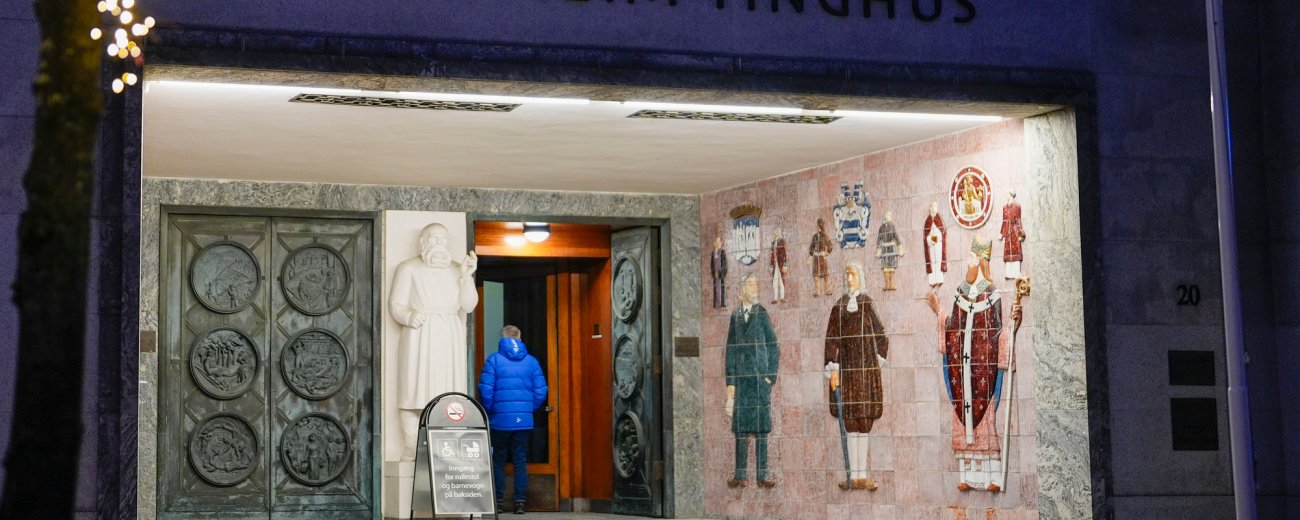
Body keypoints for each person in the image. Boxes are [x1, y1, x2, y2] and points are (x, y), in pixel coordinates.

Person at [924, 236, 1021, 493]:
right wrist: (940, 312)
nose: (968, 262)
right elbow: (952, 327)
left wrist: (1011, 328)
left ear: (981, 260)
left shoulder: (993, 294)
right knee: (962, 414)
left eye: (971, 258)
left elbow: (997, 332)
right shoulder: (960, 292)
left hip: (982, 370)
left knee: (985, 418)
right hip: (962, 370)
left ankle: (992, 476)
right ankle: (967, 476)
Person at [389, 223, 478, 460]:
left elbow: (468, 305)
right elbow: (396, 304)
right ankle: (412, 446)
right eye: (433, 239)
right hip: (419, 334)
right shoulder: (408, 268)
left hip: (449, 336)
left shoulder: (458, 269)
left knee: (448, 393)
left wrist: (467, 277)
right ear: (423, 242)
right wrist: (409, 316)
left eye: (443, 239)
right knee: (412, 391)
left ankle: (446, 447)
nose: (439, 244)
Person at [823, 262, 889, 491]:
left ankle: (862, 474)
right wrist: (832, 369)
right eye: (847, 275)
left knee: (863, 422)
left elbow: (882, 336)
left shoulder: (867, 304)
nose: (849, 279)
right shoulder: (839, 307)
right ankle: (853, 476)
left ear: (860, 277)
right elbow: (832, 340)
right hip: (847, 374)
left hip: (865, 373)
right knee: (850, 423)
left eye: (852, 275)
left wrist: (876, 362)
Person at [478, 325, 548, 514]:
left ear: (502, 338)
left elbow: (486, 390)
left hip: (499, 420)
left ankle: (498, 502)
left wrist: (493, 410)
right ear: (520, 338)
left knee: (498, 460)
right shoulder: (531, 362)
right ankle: (519, 503)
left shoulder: (493, 360)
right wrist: (527, 409)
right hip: (523, 420)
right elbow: (541, 391)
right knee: (520, 461)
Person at [724, 273, 780, 489]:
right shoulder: (735, 316)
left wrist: (770, 377)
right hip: (741, 382)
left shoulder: (761, 313)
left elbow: (773, 345)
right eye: (751, 285)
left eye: (756, 285)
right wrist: (730, 383)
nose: (756, 288)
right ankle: (740, 475)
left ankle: (762, 474)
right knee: (740, 429)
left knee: (761, 429)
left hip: (759, 381)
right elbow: (730, 350)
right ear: (742, 289)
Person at [999, 189, 1027, 279]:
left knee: (1016, 250)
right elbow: (1004, 221)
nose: (1006, 196)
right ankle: (1008, 273)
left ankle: (1016, 272)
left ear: (1010, 194)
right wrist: (1001, 233)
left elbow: (1018, 220)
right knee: (1007, 250)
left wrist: (1021, 233)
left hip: (1015, 231)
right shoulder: (1004, 207)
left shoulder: (1017, 206)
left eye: (1007, 194)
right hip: (1007, 232)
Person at [875, 211, 903, 291]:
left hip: (891, 248)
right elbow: (879, 239)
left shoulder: (893, 226)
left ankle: (891, 284)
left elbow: (897, 237)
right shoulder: (881, 228)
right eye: (886, 215)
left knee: (891, 266)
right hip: (884, 249)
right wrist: (878, 250)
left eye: (888, 215)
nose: (886, 216)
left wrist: (900, 248)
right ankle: (887, 285)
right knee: (885, 267)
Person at [808, 218, 834, 297]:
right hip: (816, 258)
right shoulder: (815, 236)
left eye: (817, 225)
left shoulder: (824, 236)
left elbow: (830, 246)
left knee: (825, 274)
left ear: (819, 225)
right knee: (815, 275)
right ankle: (817, 291)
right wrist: (810, 257)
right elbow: (812, 247)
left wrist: (826, 252)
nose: (816, 226)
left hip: (822, 258)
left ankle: (828, 290)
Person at [768, 228, 789, 303]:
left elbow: (785, 253)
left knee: (781, 280)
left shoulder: (782, 241)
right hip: (775, 264)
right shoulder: (773, 243)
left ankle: (782, 297)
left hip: (781, 264)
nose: (774, 234)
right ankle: (775, 298)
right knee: (775, 281)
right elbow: (772, 254)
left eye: (775, 232)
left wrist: (785, 264)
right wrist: (771, 265)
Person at [710, 235, 728, 308]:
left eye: (719, 242)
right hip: (715, 276)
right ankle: (716, 304)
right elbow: (712, 264)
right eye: (716, 242)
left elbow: (724, 264)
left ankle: (722, 303)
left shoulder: (722, 252)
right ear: (714, 243)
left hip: (720, 276)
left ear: (721, 243)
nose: (718, 243)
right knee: (716, 289)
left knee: (721, 289)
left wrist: (720, 273)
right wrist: (714, 273)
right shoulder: (713, 253)